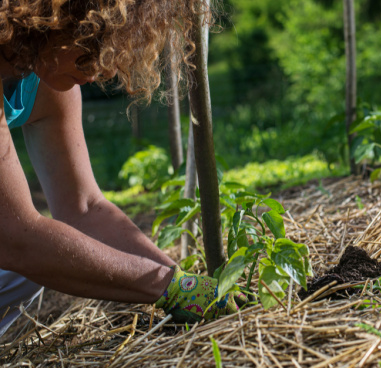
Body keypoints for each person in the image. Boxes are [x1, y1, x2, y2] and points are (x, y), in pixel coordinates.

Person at [0, 0, 240, 336]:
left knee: (29, 269)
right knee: (31, 254)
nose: (110, 69)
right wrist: (164, 286)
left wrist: (180, 280)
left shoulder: (43, 82)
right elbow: (14, 238)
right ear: (54, 21)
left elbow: (84, 208)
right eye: (97, 39)